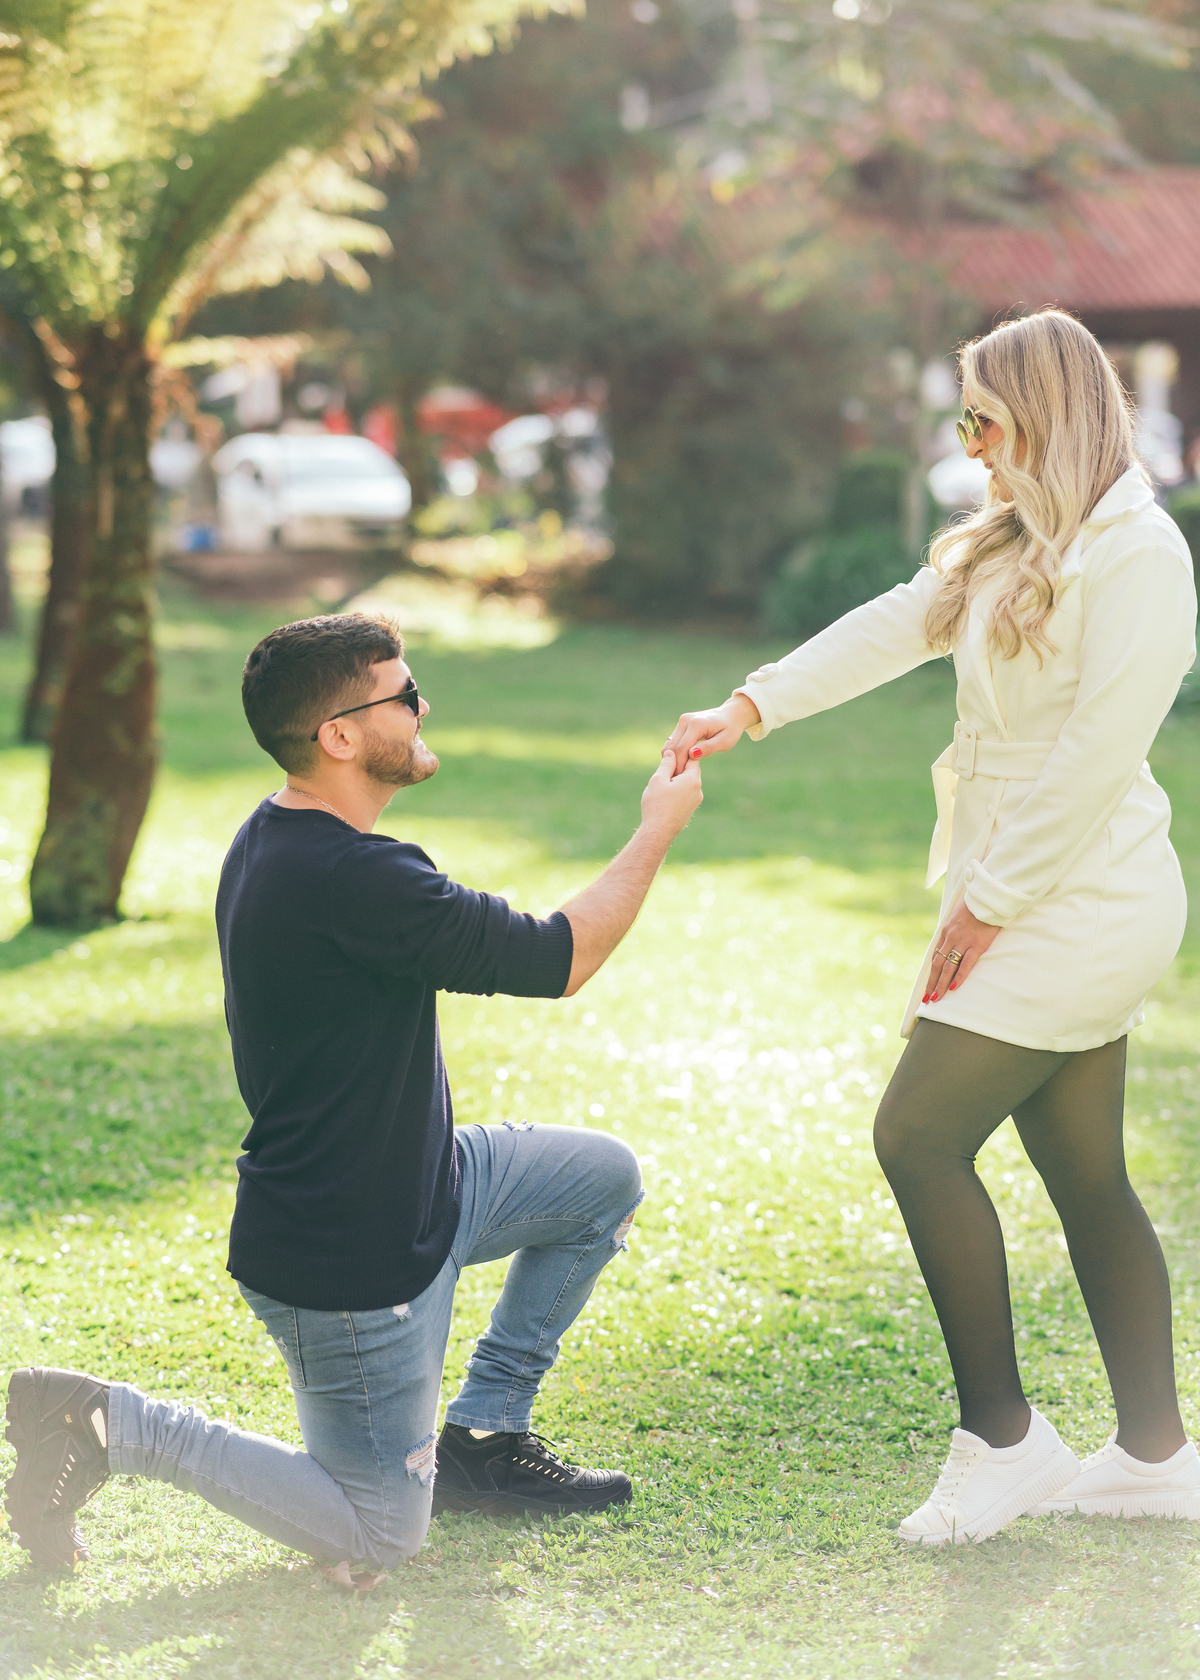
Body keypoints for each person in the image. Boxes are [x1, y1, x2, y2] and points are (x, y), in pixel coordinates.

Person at [5, 612, 702, 1585]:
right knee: (378, 1534)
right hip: (353, 1259)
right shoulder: (355, 877)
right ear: (339, 736)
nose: (424, 707)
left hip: (432, 1182)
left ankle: (484, 1437)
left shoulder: (278, 834)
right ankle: (105, 1422)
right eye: (404, 695)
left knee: (602, 1181)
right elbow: (562, 957)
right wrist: (658, 827)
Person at [664, 309, 1199, 1545]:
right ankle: (1156, 1456)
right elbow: (890, 625)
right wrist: (750, 705)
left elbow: (1096, 755)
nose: (971, 447)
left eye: (986, 423)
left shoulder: (1140, 554)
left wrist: (989, 907)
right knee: (1086, 1170)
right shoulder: (1010, 536)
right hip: (1019, 881)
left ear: (1047, 415)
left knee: (915, 1134)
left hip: (1085, 894)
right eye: (963, 423)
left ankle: (1004, 1440)